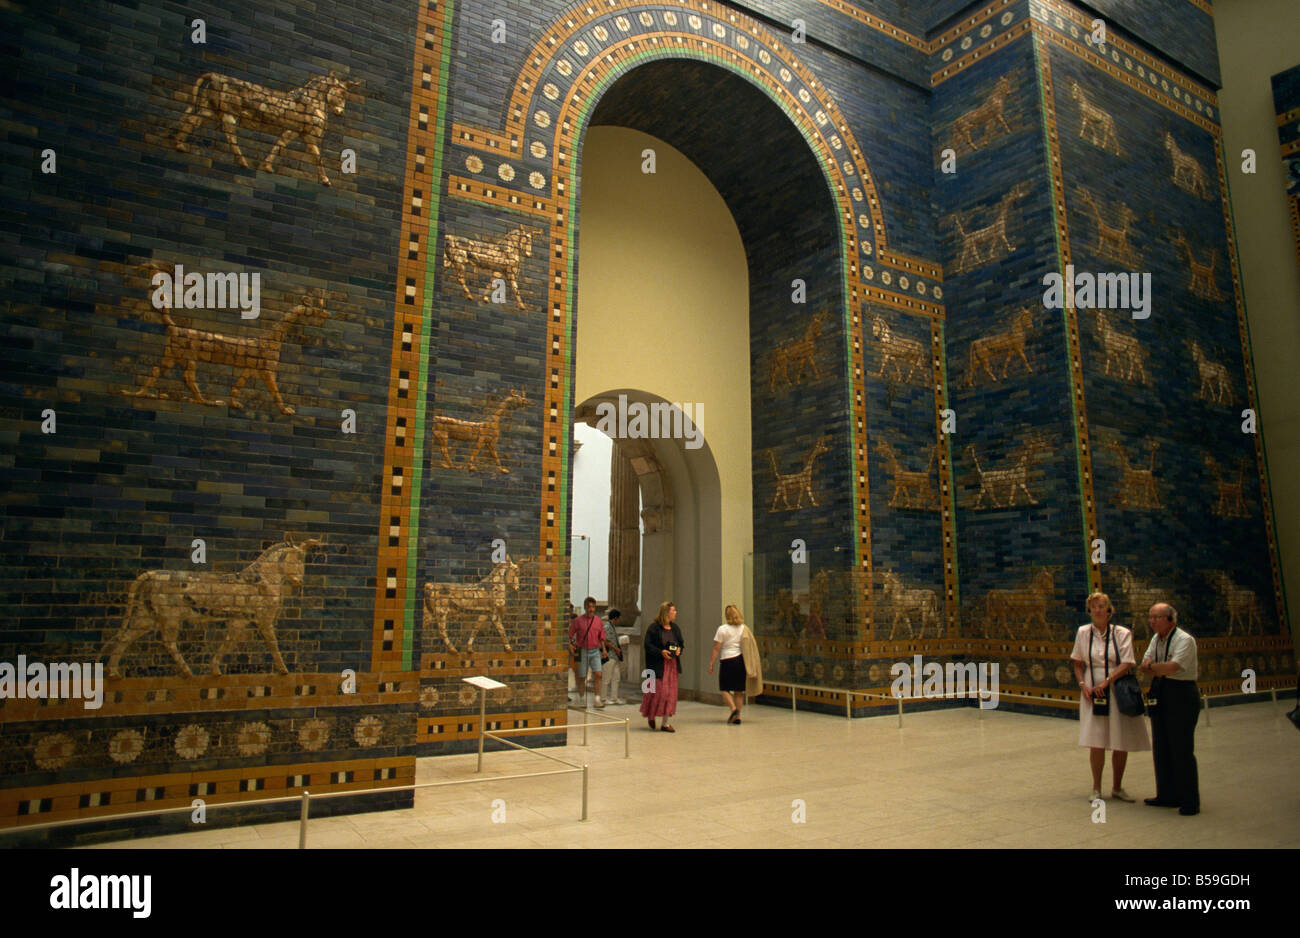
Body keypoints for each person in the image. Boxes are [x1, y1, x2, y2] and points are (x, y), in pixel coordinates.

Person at [1070, 592, 1148, 802]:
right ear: (1089, 610)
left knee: (1119, 738)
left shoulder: (1121, 633)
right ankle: (1096, 787)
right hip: (1092, 690)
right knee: (1097, 739)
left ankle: (1117, 786)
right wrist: (1083, 684)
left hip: (1115, 689)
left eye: (1101, 606)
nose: (1098, 610)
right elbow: (1078, 662)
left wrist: (1107, 681)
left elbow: (1128, 662)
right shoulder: (1083, 632)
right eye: (1094, 606)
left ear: (1109, 610)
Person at [1139, 602, 1200, 815]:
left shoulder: (1185, 640)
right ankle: (1166, 794)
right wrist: (1153, 668)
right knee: (1161, 745)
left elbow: (1172, 667)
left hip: (1181, 693)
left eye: (1157, 617)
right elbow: (1145, 661)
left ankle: (1189, 800)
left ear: (1171, 619)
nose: (1152, 621)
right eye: (1150, 617)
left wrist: (1152, 668)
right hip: (1161, 691)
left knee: (1181, 747)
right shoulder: (1157, 639)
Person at [641, 601, 684, 732]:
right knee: (656, 692)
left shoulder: (675, 628)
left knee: (669, 694)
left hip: (671, 665)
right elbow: (647, 645)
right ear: (667, 613)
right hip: (657, 666)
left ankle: (665, 723)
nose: (675, 613)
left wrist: (678, 651)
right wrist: (661, 652)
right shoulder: (654, 628)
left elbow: (681, 643)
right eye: (673, 610)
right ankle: (651, 715)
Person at [708, 604, 748, 724]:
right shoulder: (743, 628)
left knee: (724, 688)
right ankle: (738, 716)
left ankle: (733, 709)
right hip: (740, 660)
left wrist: (711, 662)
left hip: (727, 660)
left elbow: (716, 648)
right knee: (739, 690)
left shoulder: (722, 629)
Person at [569, 596, 607, 708]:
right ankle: (581, 698)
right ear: (585, 607)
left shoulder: (598, 621)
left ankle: (597, 698)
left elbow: (602, 637)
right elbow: (569, 635)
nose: (591, 609)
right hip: (581, 650)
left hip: (594, 651)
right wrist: (570, 645)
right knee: (581, 676)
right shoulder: (578, 621)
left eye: (593, 607)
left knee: (598, 674)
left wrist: (604, 649)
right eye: (589, 607)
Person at [601, 608, 626, 705]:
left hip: (614, 656)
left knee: (616, 677)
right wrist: (616, 649)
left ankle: (614, 697)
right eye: (618, 618)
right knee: (606, 678)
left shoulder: (612, 627)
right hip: (610, 655)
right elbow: (606, 641)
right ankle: (603, 698)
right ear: (615, 618)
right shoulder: (607, 627)